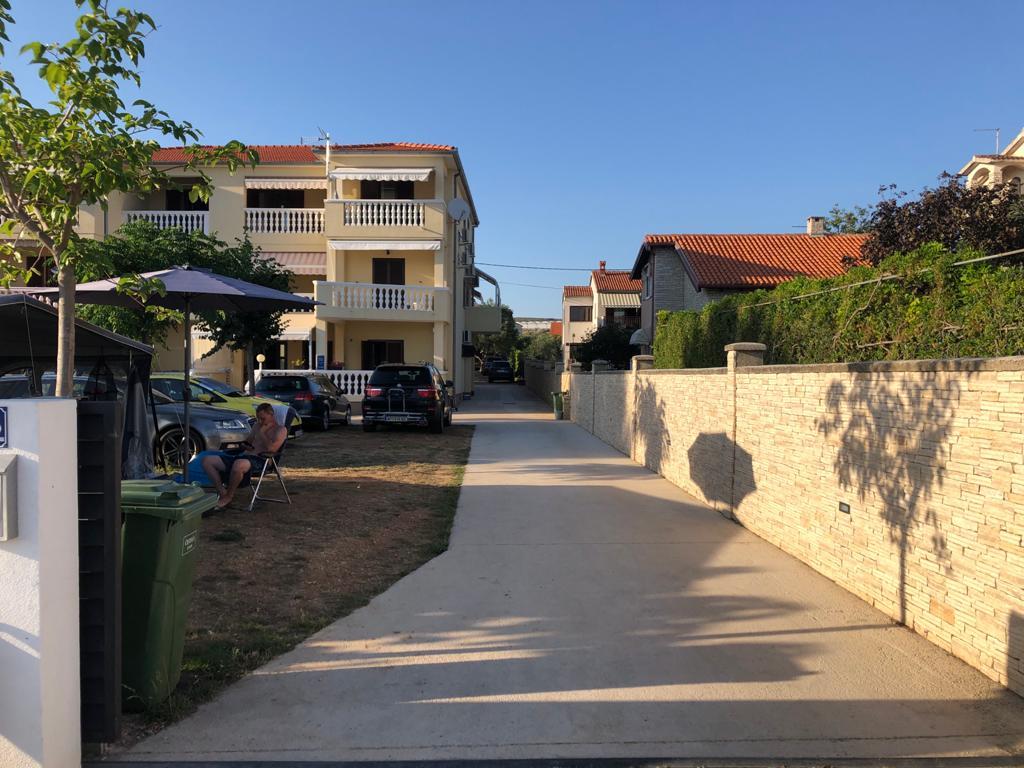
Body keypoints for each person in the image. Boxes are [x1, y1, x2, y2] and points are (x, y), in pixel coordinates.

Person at [201, 402, 287, 510]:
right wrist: (245, 445)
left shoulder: (280, 430)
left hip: (262, 460)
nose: (260, 421)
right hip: (244, 457)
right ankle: (223, 492)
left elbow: (271, 449)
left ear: (271, 415)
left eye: (263, 418)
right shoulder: (257, 426)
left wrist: (262, 433)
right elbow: (248, 442)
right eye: (258, 418)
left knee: (239, 464)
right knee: (207, 460)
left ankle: (229, 497)